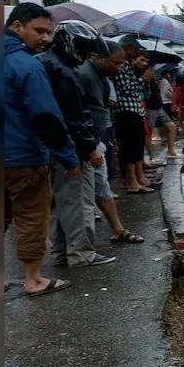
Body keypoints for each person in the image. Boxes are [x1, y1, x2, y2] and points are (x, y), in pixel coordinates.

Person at [4, 3, 80, 296]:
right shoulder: (27, 66)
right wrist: (68, 157)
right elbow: (46, 117)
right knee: (31, 217)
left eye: (48, 32)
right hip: (23, 157)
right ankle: (33, 279)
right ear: (17, 27)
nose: (45, 38)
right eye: (39, 31)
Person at [38, 19, 116, 268]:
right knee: (79, 201)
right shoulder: (64, 72)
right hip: (70, 148)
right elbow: (73, 118)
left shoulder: (45, 63)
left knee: (60, 203)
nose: (85, 56)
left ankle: (62, 252)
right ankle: (81, 253)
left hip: (51, 147)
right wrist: (89, 147)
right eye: (84, 50)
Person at [77, 39, 144, 245]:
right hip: (85, 145)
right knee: (84, 197)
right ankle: (82, 251)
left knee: (102, 188)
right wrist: (89, 146)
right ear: (99, 58)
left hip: (95, 142)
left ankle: (117, 230)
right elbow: (78, 115)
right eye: (116, 63)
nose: (119, 67)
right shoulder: (83, 76)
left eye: (121, 63)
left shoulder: (103, 78)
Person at [112, 36, 156, 193]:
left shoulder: (129, 66)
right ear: (127, 48)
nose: (137, 53)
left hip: (135, 110)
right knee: (130, 148)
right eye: (135, 49)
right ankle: (132, 182)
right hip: (126, 111)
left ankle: (139, 178)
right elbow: (127, 89)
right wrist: (142, 79)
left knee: (137, 146)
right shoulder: (121, 65)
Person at [146, 66, 178, 161]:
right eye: (150, 70)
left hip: (159, 107)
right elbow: (145, 95)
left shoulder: (155, 80)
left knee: (172, 127)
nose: (152, 72)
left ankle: (171, 151)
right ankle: (152, 156)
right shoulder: (143, 81)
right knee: (148, 133)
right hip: (150, 109)